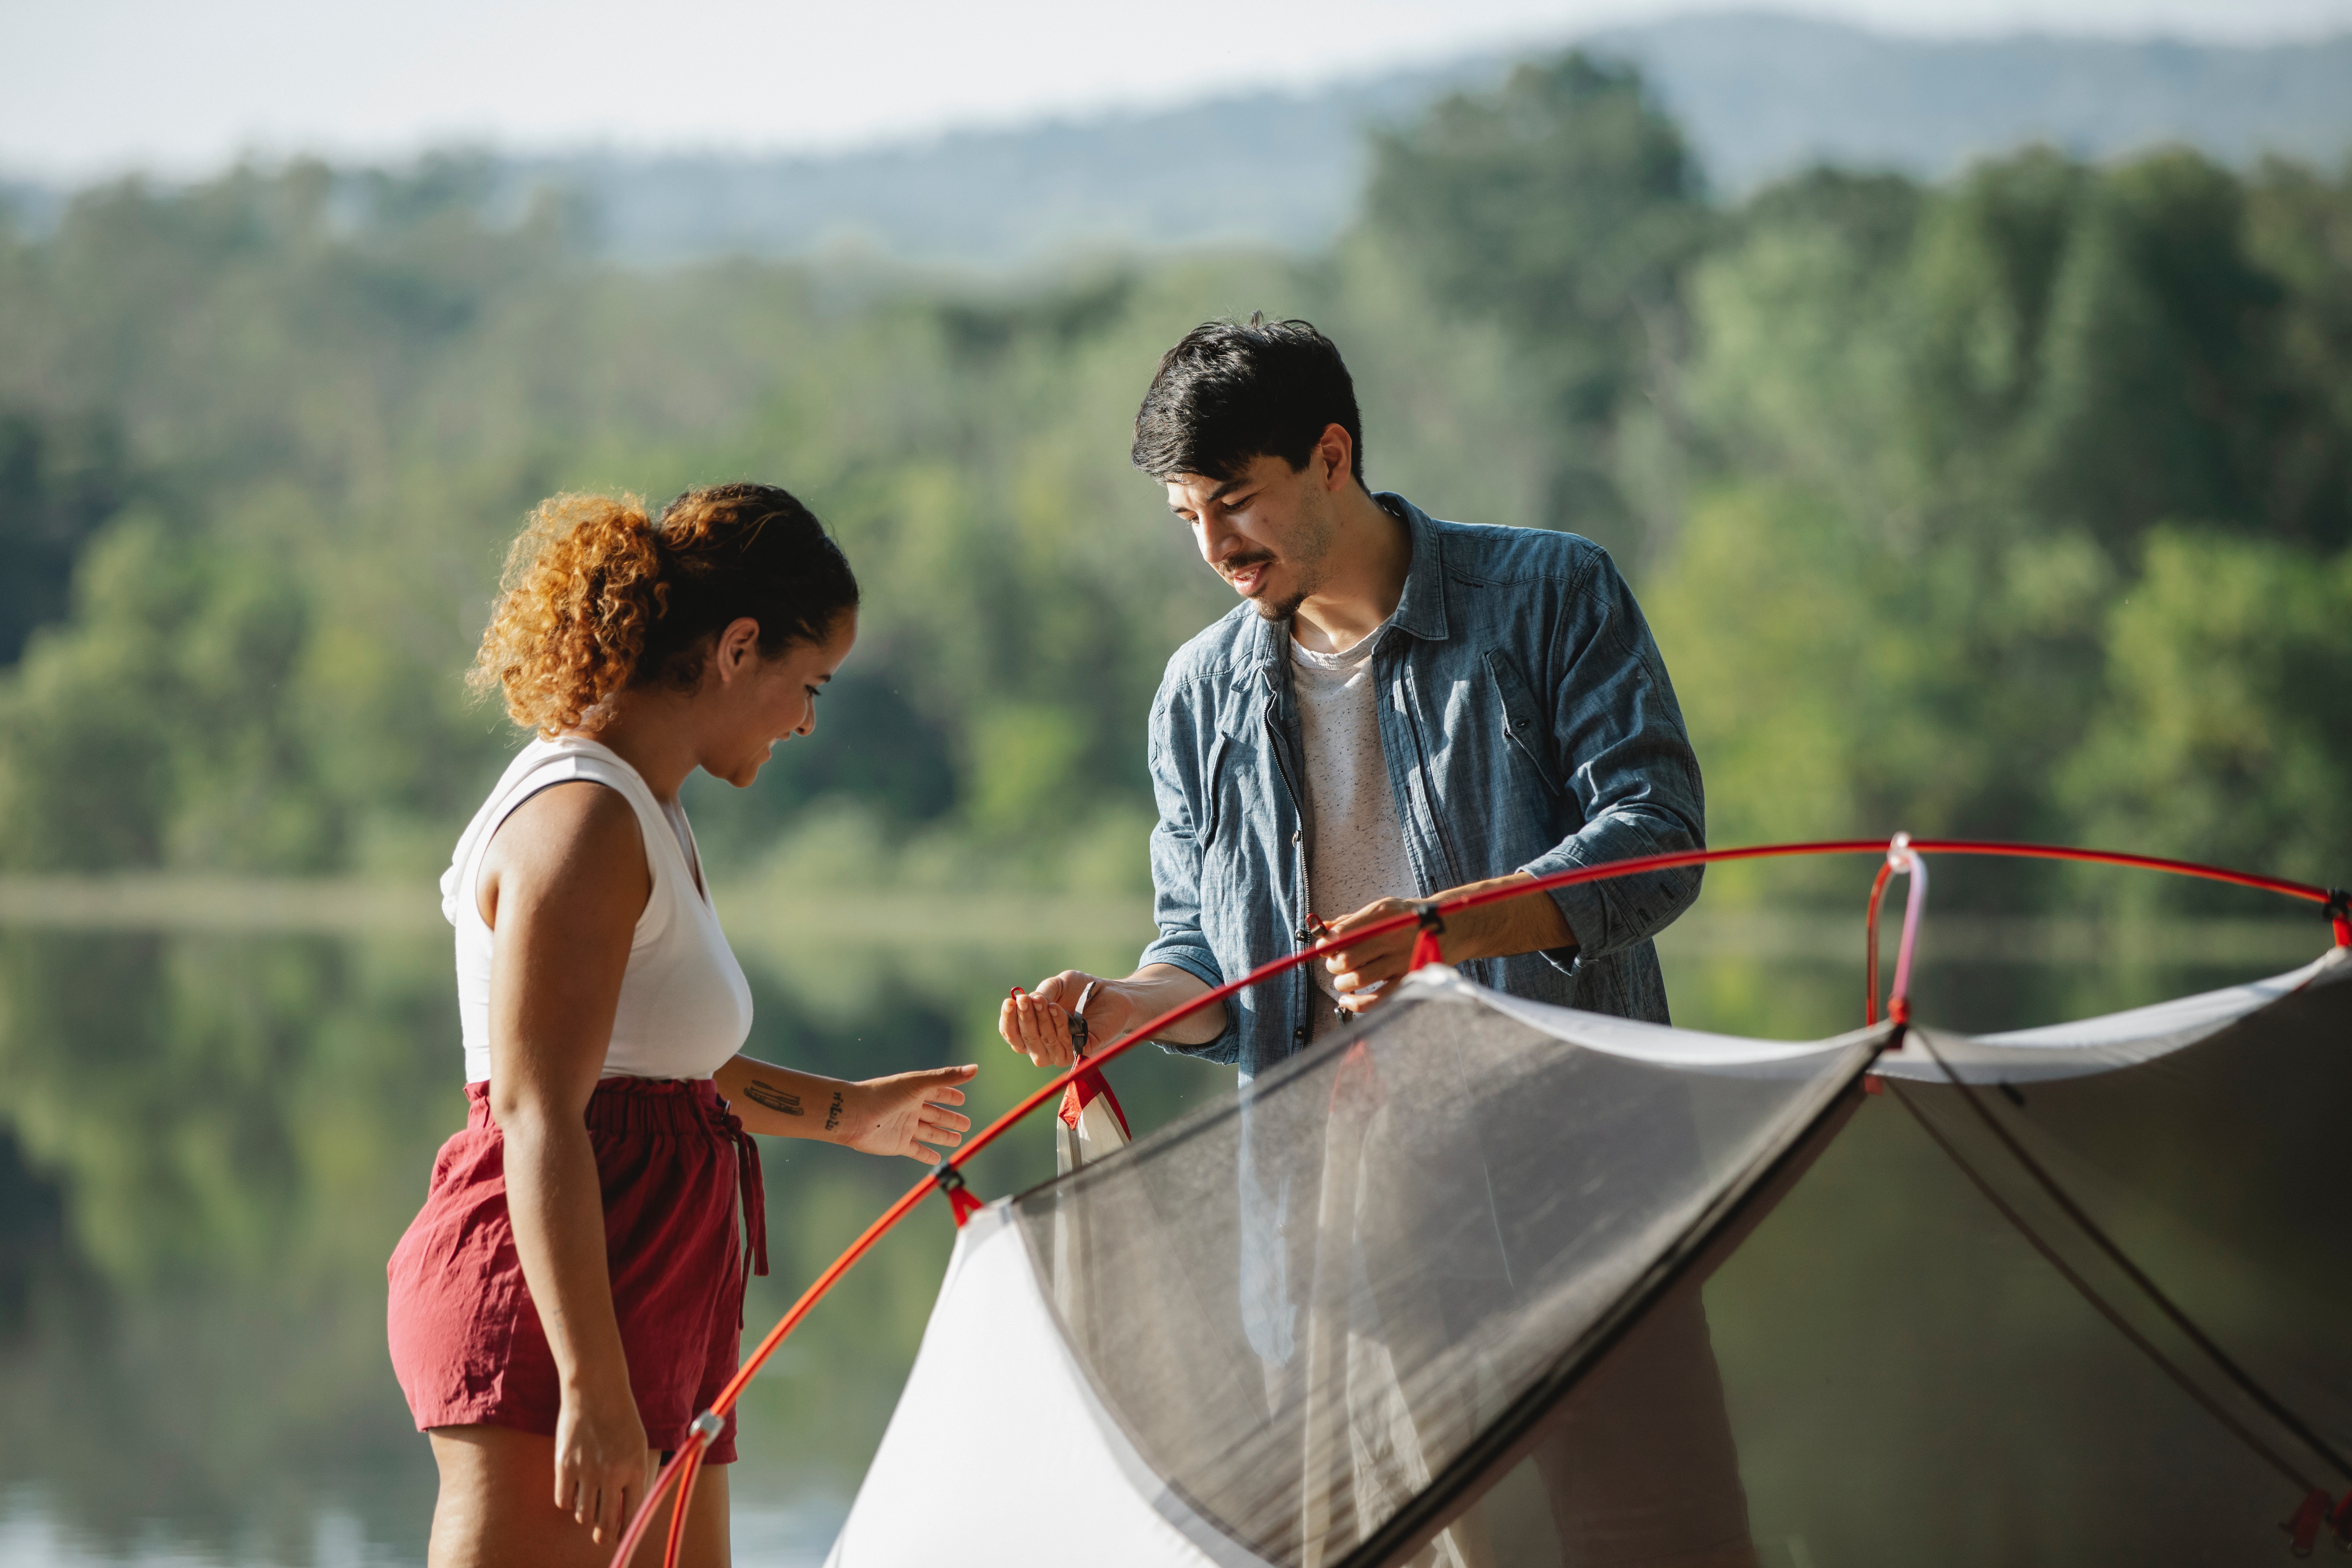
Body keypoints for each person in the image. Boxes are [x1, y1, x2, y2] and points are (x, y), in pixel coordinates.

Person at [999, 319, 1752, 1566]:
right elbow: (1206, 960)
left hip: (1592, 1196)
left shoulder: (1551, 593)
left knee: (1663, 1543)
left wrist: (1444, 929)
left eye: (1234, 503)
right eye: (1185, 516)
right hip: (1343, 1237)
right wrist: (1130, 1006)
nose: (1213, 547)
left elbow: (1659, 838)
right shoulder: (1197, 695)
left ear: (1332, 456)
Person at [388, 484, 978, 1568]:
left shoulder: (646, 807)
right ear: (738, 646)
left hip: (652, 1286)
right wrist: (590, 1384)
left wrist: (854, 1115)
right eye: (807, 685)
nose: (806, 718)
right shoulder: (581, 818)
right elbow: (534, 1113)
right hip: (557, 1312)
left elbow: (658, 1071)